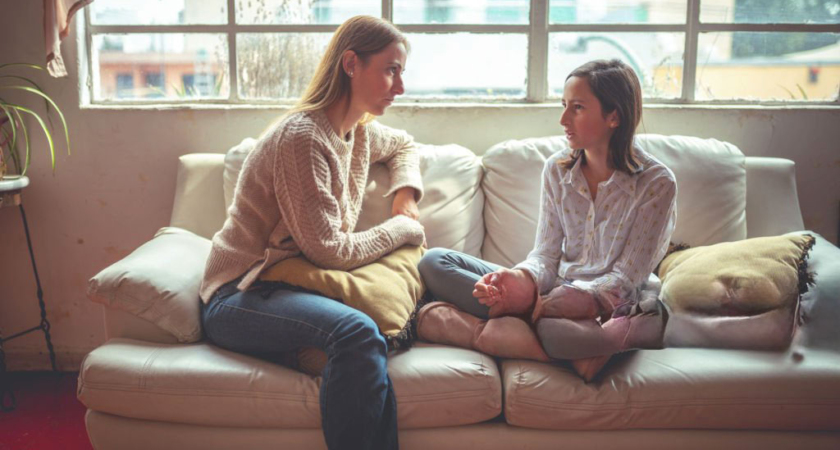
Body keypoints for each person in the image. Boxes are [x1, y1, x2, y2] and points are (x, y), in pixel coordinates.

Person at [199, 16, 424, 450]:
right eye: (391, 70)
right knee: (358, 333)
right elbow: (330, 251)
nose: (400, 87)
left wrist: (406, 197)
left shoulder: (356, 132)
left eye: (402, 72)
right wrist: (402, 229)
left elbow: (404, 145)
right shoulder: (302, 138)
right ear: (351, 64)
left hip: (289, 285)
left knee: (368, 344)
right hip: (239, 293)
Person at [418, 59, 677, 380]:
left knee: (563, 334)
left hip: (614, 308)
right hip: (553, 291)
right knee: (434, 262)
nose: (563, 119)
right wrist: (520, 279)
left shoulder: (656, 183)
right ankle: (556, 341)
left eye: (577, 108)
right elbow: (546, 254)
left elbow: (625, 279)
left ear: (614, 116)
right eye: (564, 105)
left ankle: (502, 331)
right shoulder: (557, 169)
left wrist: (570, 301)